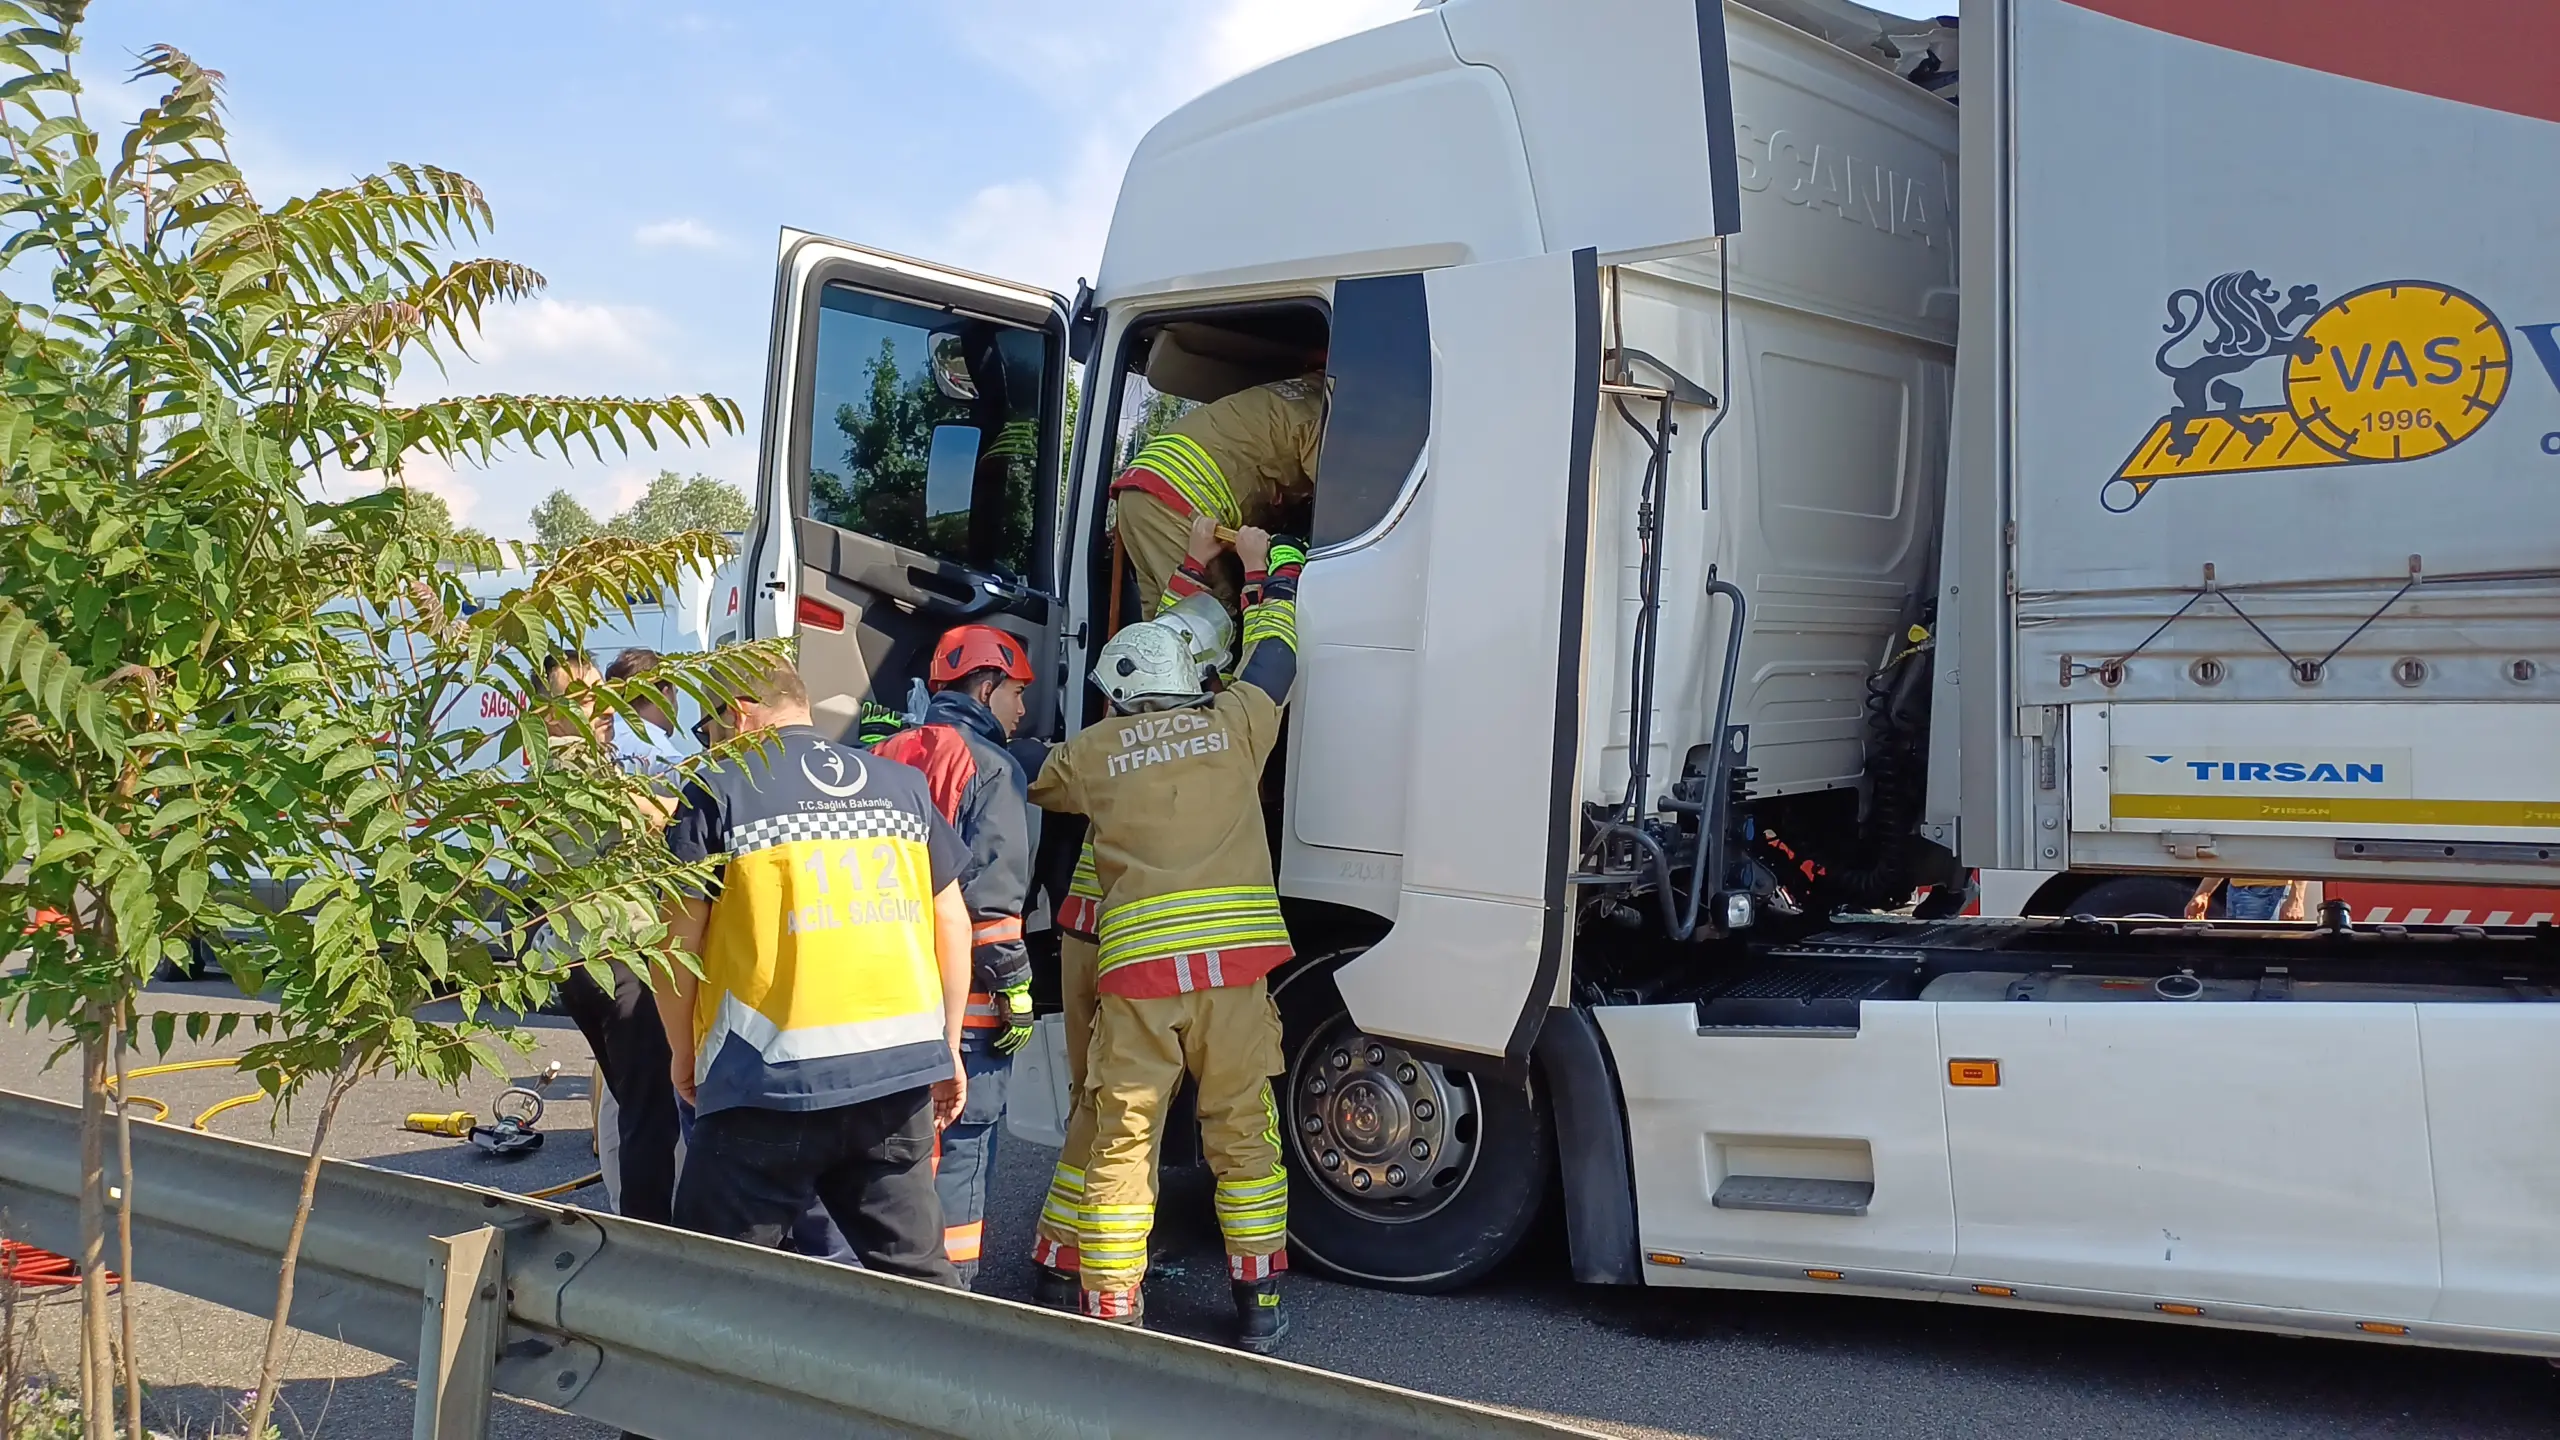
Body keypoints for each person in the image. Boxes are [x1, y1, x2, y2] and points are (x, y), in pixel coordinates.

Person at [1027, 516, 1305, 1352]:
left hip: (1139, 984)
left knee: (1120, 1138)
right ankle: (1258, 1305)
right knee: (1242, 1133)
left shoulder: (1093, 753)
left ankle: (1111, 1305)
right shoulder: (1238, 725)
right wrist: (1271, 574)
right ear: (1196, 676)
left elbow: (1039, 783)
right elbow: (1276, 658)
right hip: (1233, 980)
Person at [655, 655, 973, 1284]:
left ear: (739, 714)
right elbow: (952, 924)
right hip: (895, 1076)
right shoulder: (902, 788)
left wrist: (681, 1054)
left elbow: (675, 944)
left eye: (708, 729)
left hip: (764, 1079)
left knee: (709, 1288)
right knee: (920, 1286)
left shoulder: (719, 788)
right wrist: (950, 1044)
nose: (710, 744)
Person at [868, 624, 1040, 1287]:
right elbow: (991, 903)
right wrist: (1016, 993)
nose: (1022, 711)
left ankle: (883, 1282)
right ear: (986, 686)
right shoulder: (994, 768)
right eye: (1017, 693)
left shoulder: (880, 753)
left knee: (889, 1155)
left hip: (879, 996)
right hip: (959, 1004)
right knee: (962, 1150)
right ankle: (953, 1302)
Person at [540, 651, 685, 1224]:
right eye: (579, 697)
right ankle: (648, 1241)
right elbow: (660, 812)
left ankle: (638, 1217)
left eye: (599, 692)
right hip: (614, 956)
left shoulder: (583, 759)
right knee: (650, 1109)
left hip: (583, 960)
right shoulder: (577, 768)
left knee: (633, 1098)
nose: (598, 707)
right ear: (547, 711)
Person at [1112, 373, 1325, 620]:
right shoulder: (1325, 420)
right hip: (1179, 501)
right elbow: (1343, 507)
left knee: (1162, 616)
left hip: (1140, 487)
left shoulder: (1299, 391)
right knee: (1209, 619)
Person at [2186, 877, 2314, 921]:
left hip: (2269, 891)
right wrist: (2203, 894)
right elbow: (2229, 853)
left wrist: (2296, 899)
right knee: (2240, 954)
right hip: (2235, 889)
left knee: (2259, 955)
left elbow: (2304, 849)